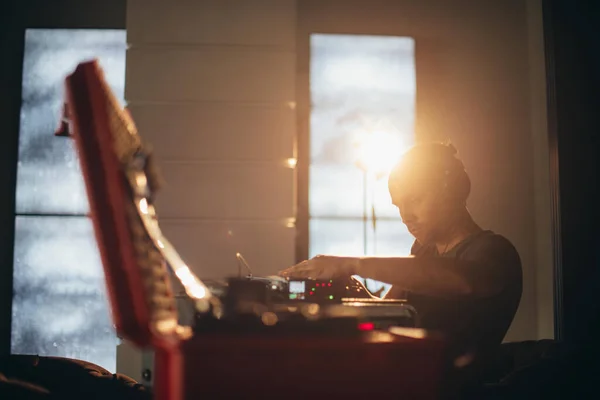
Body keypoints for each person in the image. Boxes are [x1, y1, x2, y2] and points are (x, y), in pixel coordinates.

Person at [279, 142, 522, 357]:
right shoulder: (423, 250)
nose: (405, 216)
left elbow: (464, 281)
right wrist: (349, 290)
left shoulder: (495, 250)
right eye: (399, 206)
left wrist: (353, 263)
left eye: (415, 200)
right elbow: (389, 310)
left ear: (450, 191)